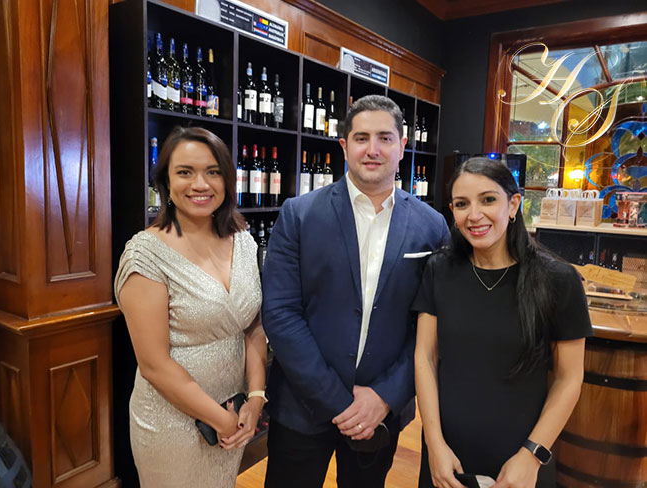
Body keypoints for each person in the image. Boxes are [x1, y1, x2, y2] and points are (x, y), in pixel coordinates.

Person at [261, 95, 450, 487]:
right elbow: (280, 313)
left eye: (385, 138)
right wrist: (341, 401)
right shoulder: (298, 214)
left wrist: (385, 396)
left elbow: (430, 325)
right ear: (344, 146)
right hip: (301, 406)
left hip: (382, 412)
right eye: (361, 138)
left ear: (402, 145)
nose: (373, 149)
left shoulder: (432, 227)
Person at [413, 157, 592, 488]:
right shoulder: (439, 270)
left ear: (513, 204)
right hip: (446, 455)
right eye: (462, 204)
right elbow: (425, 357)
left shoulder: (558, 279)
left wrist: (532, 455)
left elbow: (569, 378)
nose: (474, 215)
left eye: (488, 200)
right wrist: (433, 442)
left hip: (521, 459)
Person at [114, 126, 267, 487]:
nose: (201, 184)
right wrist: (219, 419)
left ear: (227, 180)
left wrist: (256, 397)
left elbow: (252, 325)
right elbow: (154, 365)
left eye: (212, 172)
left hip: (233, 411)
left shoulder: (243, 240)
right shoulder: (145, 255)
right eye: (185, 172)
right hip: (172, 424)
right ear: (165, 182)